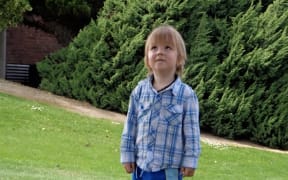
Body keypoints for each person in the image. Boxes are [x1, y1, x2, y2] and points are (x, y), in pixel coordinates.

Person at [120, 24, 201, 180]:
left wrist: (191, 160)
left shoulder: (186, 96)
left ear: (179, 58)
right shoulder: (139, 91)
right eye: (154, 48)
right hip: (140, 169)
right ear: (147, 60)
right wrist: (127, 154)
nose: (160, 52)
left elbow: (192, 133)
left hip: (167, 171)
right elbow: (130, 126)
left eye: (167, 48)